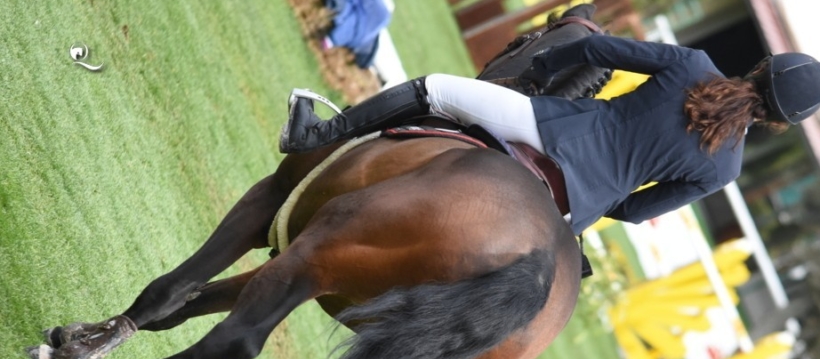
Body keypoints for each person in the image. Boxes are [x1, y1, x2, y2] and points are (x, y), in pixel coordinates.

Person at [279, 34, 820, 235]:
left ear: (759, 67)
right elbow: (633, 213)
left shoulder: (694, 65)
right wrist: (591, 197)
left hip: (549, 131)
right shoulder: (724, 169)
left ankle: (315, 134)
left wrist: (541, 70)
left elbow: (597, 50)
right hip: (570, 209)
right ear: (776, 123)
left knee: (434, 89)